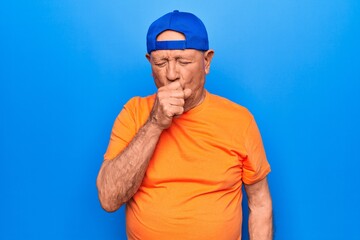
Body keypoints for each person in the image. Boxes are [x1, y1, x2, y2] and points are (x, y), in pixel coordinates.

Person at [97, 10, 273, 240]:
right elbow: (109, 199)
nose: (171, 74)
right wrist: (154, 124)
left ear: (207, 61)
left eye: (183, 61)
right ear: (150, 64)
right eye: (161, 62)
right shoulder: (133, 113)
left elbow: (260, 205)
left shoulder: (240, 120)